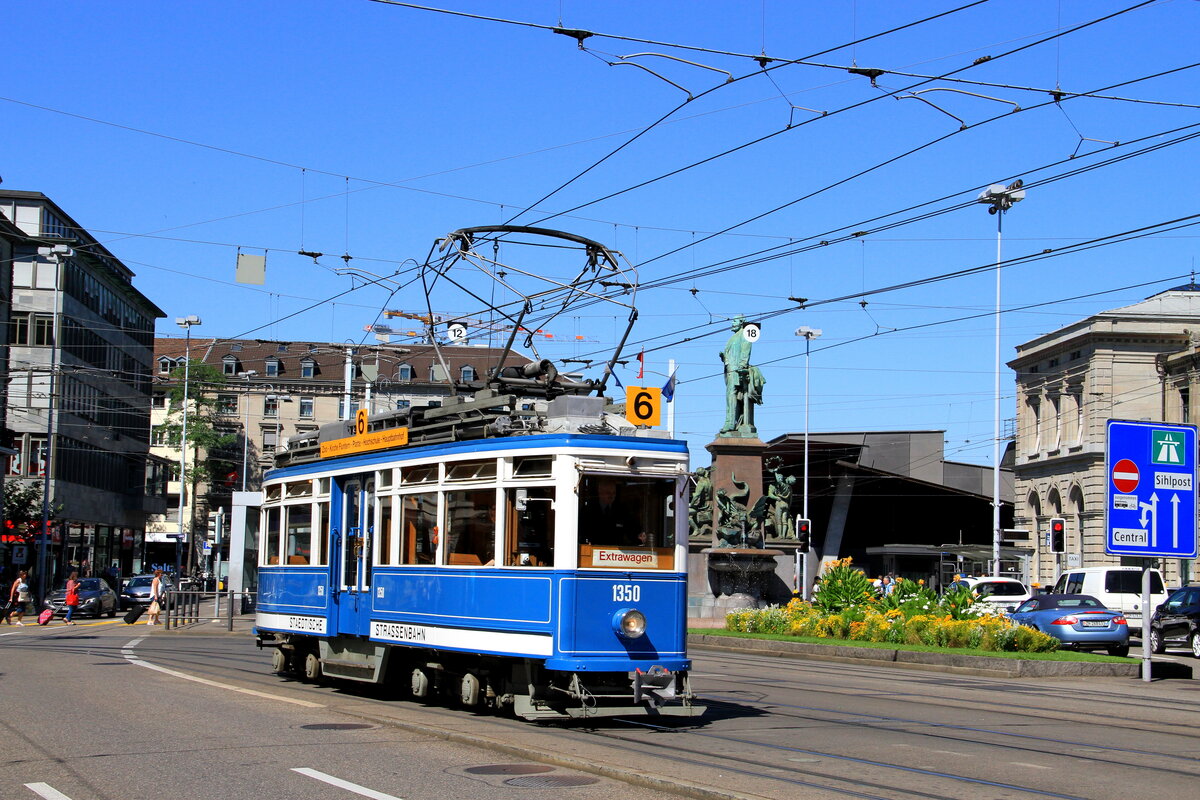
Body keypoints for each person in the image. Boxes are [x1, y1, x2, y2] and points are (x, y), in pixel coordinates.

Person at [581, 477, 641, 547]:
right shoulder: (588, 510)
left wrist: (638, 537)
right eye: (608, 493)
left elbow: (631, 531)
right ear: (600, 492)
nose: (611, 496)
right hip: (594, 551)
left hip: (616, 553)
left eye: (614, 493)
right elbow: (583, 533)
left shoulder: (622, 510)